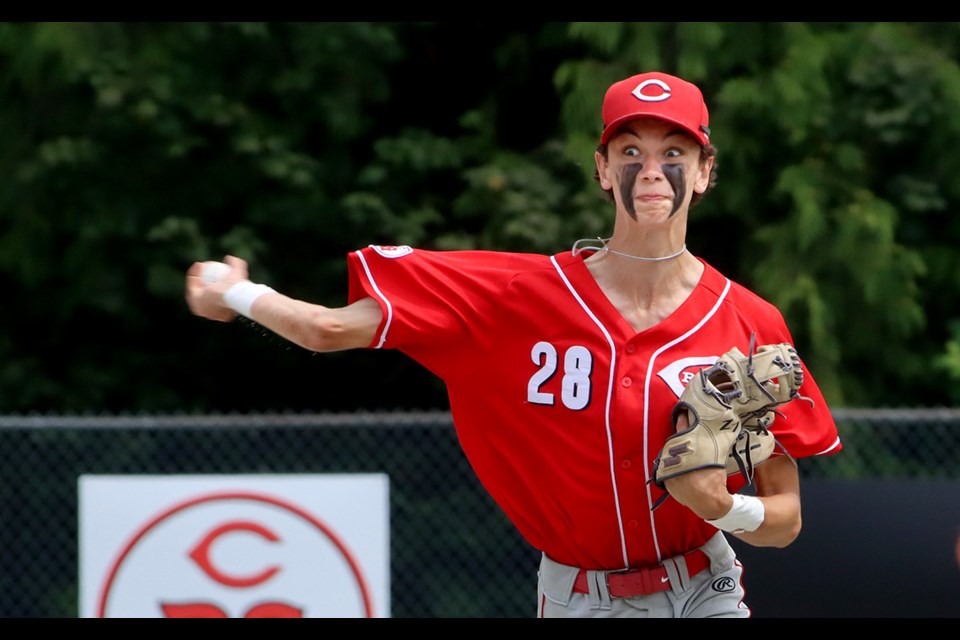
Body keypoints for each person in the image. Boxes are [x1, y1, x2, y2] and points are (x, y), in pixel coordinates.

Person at [185, 70, 842, 618]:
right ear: (601, 169)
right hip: (580, 598)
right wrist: (233, 292)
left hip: (706, 589)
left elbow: (786, 520)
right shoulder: (509, 298)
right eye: (630, 150)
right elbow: (326, 330)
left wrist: (727, 508)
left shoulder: (749, 322)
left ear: (704, 172)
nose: (651, 169)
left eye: (675, 152)